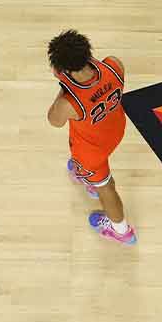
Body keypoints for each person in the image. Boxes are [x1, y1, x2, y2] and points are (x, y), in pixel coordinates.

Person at [47, 30, 135, 246]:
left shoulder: (69, 103)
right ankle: (89, 179)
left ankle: (121, 230)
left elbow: (54, 120)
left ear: (65, 69)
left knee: (106, 187)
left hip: (90, 153)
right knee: (94, 173)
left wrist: (64, 88)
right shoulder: (114, 65)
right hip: (115, 130)